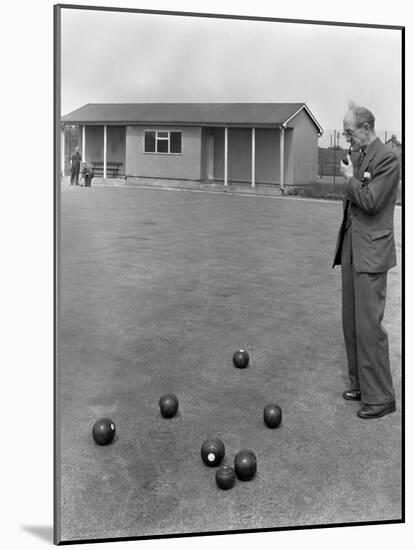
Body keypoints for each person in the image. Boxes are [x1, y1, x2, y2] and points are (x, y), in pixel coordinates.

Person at [333, 102, 400, 419]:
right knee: (351, 322)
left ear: (366, 127)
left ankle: (381, 397)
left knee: (369, 326)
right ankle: (360, 384)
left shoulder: (387, 158)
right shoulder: (359, 156)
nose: (347, 138)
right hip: (352, 248)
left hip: (371, 253)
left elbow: (371, 201)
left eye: (349, 132)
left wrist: (349, 179)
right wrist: (351, 174)